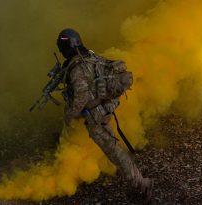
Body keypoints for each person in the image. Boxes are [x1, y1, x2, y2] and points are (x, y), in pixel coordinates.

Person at [56, 28, 153, 201]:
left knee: (113, 150)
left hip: (96, 115)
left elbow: (82, 96)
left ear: (64, 48)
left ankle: (140, 183)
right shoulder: (91, 56)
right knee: (109, 145)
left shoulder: (77, 68)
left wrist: (70, 116)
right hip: (104, 106)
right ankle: (64, 159)